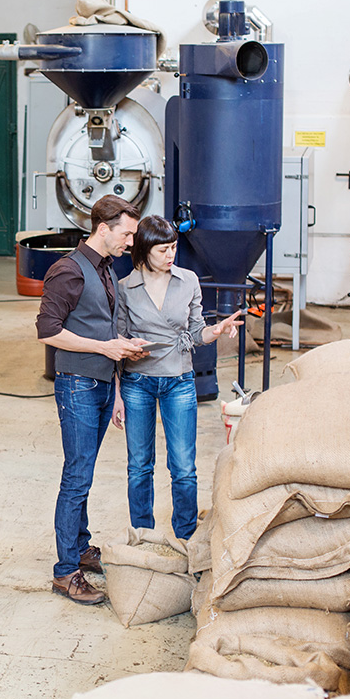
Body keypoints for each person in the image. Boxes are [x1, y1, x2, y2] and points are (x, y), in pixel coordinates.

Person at [37, 195, 149, 605]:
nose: (130, 242)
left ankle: (81, 548)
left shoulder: (105, 267)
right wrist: (105, 350)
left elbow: (104, 331)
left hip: (102, 385)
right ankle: (66, 572)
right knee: (77, 475)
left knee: (84, 471)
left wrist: (117, 385)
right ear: (104, 229)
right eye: (127, 234)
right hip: (77, 385)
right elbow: (48, 330)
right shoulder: (67, 270)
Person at [111, 215, 243, 540]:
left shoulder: (188, 281)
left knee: (184, 467)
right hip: (137, 383)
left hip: (179, 381)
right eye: (162, 250)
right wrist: (121, 379)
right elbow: (118, 340)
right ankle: (143, 537)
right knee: (140, 466)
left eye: (173, 248)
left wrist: (218, 330)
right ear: (143, 251)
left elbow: (197, 331)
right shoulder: (125, 288)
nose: (170, 255)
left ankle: (186, 538)